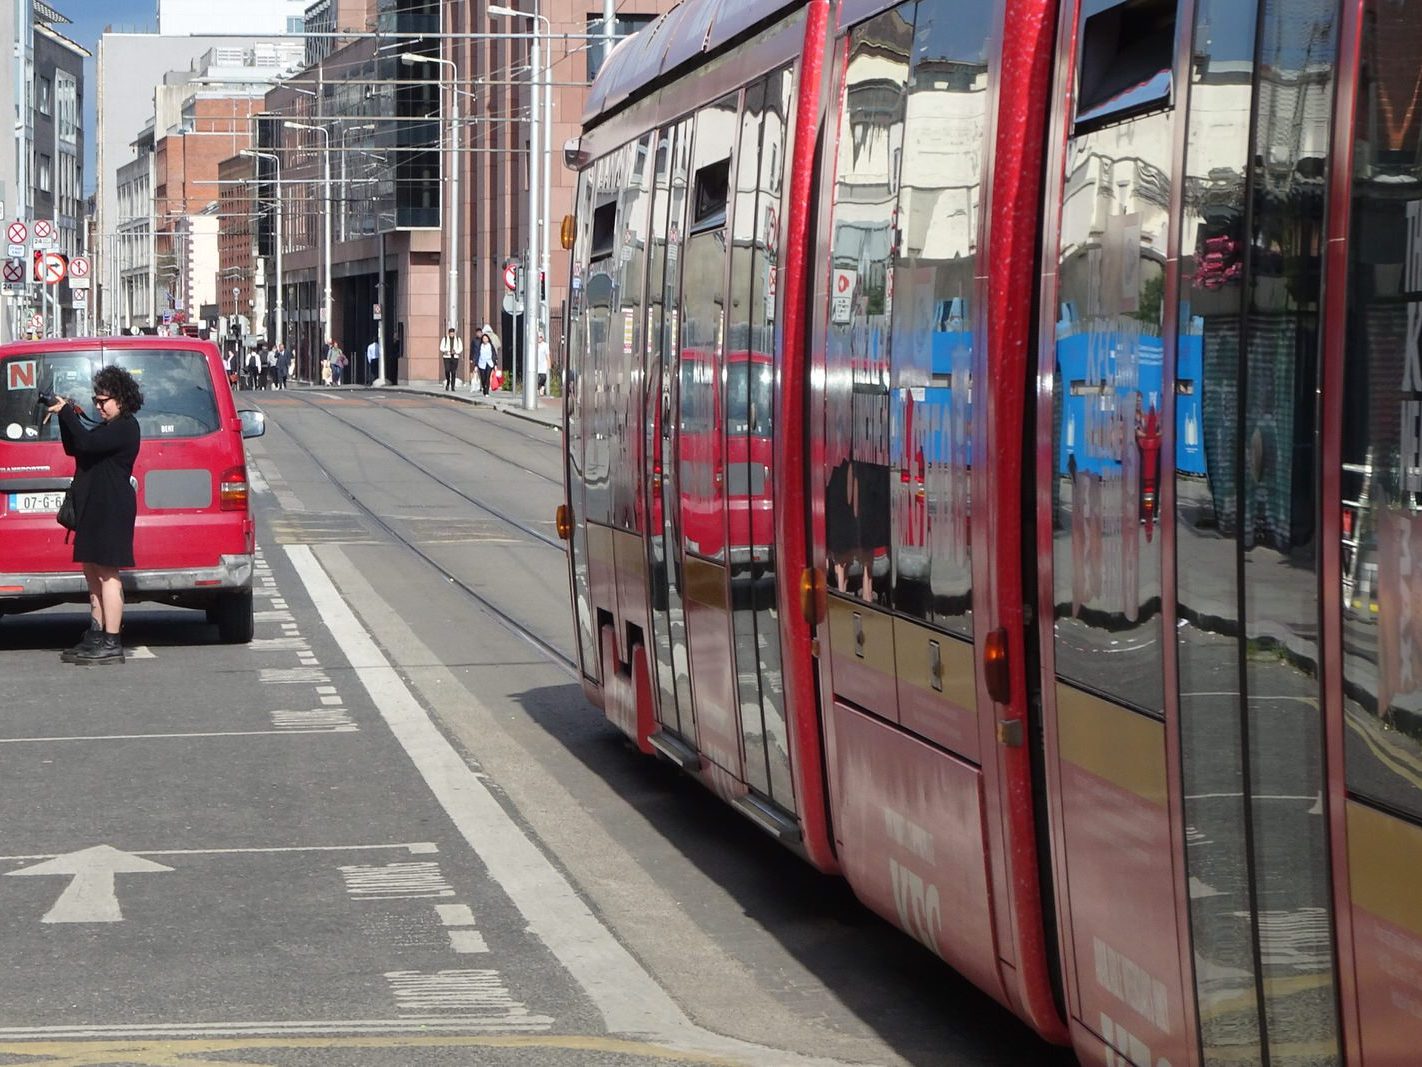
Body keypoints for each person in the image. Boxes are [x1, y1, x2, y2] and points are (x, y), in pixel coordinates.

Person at [46, 366, 145, 666]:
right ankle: (97, 632)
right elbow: (76, 446)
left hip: (112, 508)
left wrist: (67, 414)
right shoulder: (106, 426)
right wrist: (64, 417)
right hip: (94, 506)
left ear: (122, 399)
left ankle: (112, 641)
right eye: (96, 400)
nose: (99, 406)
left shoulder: (126, 426)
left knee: (108, 574)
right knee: (92, 572)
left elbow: (87, 444)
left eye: (104, 401)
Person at [439, 327, 463, 391]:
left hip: (455, 357)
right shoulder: (445, 339)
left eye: (453, 333)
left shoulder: (458, 339)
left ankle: (453, 386)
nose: (452, 334)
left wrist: (456, 351)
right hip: (447, 357)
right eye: (451, 333)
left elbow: (460, 348)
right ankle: (448, 381)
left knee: (453, 372)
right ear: (449, 333)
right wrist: (446, 350)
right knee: (447, 370)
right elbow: (441, 347)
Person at [475, 326, 496, 396]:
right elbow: (477, 355)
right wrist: (476, 365)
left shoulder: (491, 346)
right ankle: (484, 387)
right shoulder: (480, 346)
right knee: (483, 377)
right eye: (484, 338)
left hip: (489, 363)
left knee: (487, 376)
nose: (485, 339)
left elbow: (494, 355)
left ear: (488, 339)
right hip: (481, 363)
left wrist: (495, 364)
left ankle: (487, 392)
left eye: (486, 338)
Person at [536, 330, 550, 396]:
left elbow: (547, 356)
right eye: (538, 337)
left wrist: (549, 365)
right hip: (536, 365)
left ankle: (539, 387)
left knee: (543, 377)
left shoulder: (545, 345)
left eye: (540, 337)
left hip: (543, 364)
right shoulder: (534, 345)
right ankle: (540, 388)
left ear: (543, 337)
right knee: (537, 377)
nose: (539, 338)